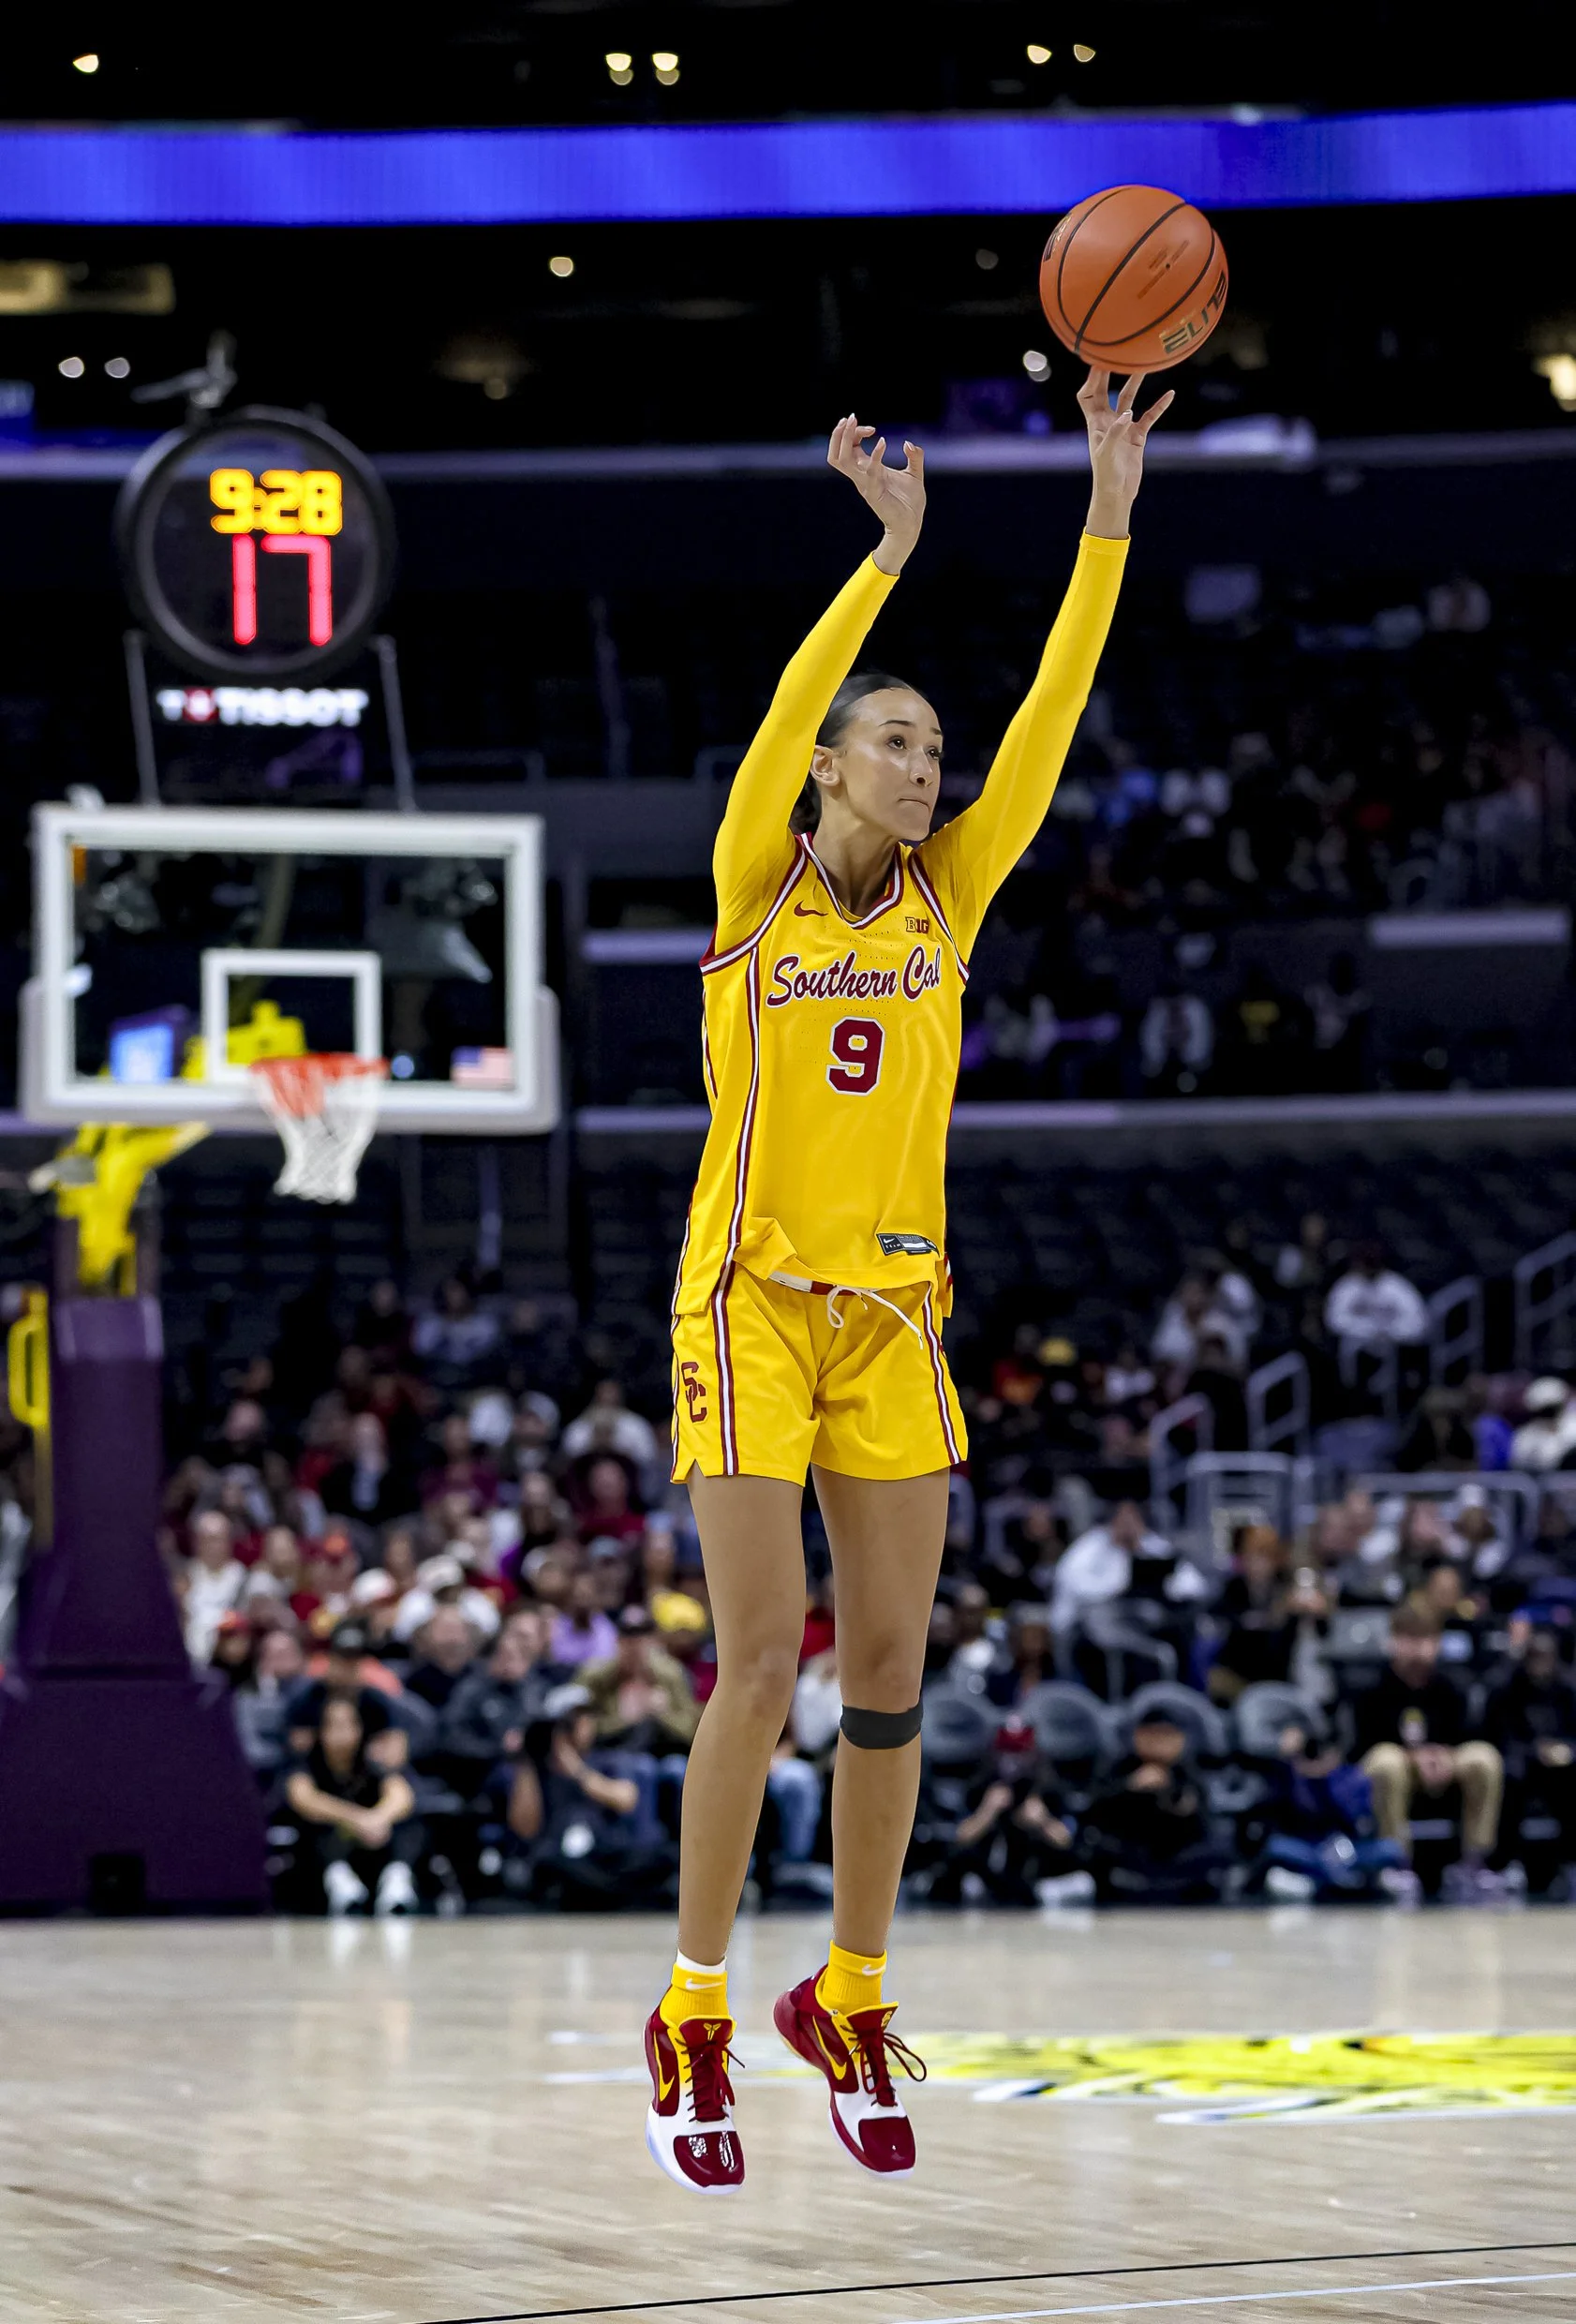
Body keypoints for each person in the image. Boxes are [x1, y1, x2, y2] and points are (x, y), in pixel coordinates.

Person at [646, 366, 1169, 2191]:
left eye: (932, 747)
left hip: (892, 1319)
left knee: (886, 1677)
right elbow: (789, 704)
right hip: (746, 1301)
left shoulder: (952, 893)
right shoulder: (756, 879)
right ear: (826, 765)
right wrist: (885, 554)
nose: (923, 763)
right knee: (757, 1664)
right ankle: (693, 2009)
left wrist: (1106, 507)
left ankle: (848, 1991)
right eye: (892, 741)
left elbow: (1053, 706)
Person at [1346, 1603, 1505, 1902]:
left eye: (1425, 1638)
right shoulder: (1371, 1686)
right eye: (1409, 1638)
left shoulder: (1452, 1683)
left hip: (1444, 1765)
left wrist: (1444, 1756)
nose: (1418, 1648)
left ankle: (1474, 1862)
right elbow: (1361, 1747)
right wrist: (1413, 1758)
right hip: (1397, 1767)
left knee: (1483, 1758)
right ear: (1393, 1641)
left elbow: (1469, 1735)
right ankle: (1394, 1861)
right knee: (1387, 1762)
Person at [285, 1693, 422, 1915]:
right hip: (327, 1855)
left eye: (349, 1724)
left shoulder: (371, 1764)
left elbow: (402, 1795)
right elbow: (304, 1798)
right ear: (321, 1730)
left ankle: (397, 1878)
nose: (342, 1733)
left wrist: (378, 1818)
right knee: (316, 1829)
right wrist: (355, 1818)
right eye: (334, 1725)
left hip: (371, 1845)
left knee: (410, 1825)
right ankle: (341, 1887)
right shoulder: (307, 1764)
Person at [1483, 1629, 1576, 1892]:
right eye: (1534, 1656)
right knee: (1510, 1777)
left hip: (1560, 1768)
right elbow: (1498, 1736)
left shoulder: (1567, 1689)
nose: (1540, 1663)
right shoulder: (1506, 1688)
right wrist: (1536, 1751)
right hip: (1520, 1764)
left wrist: (1566, 1749)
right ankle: (1504, 1863)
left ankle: (1570, 1863)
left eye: (1545, 1657)